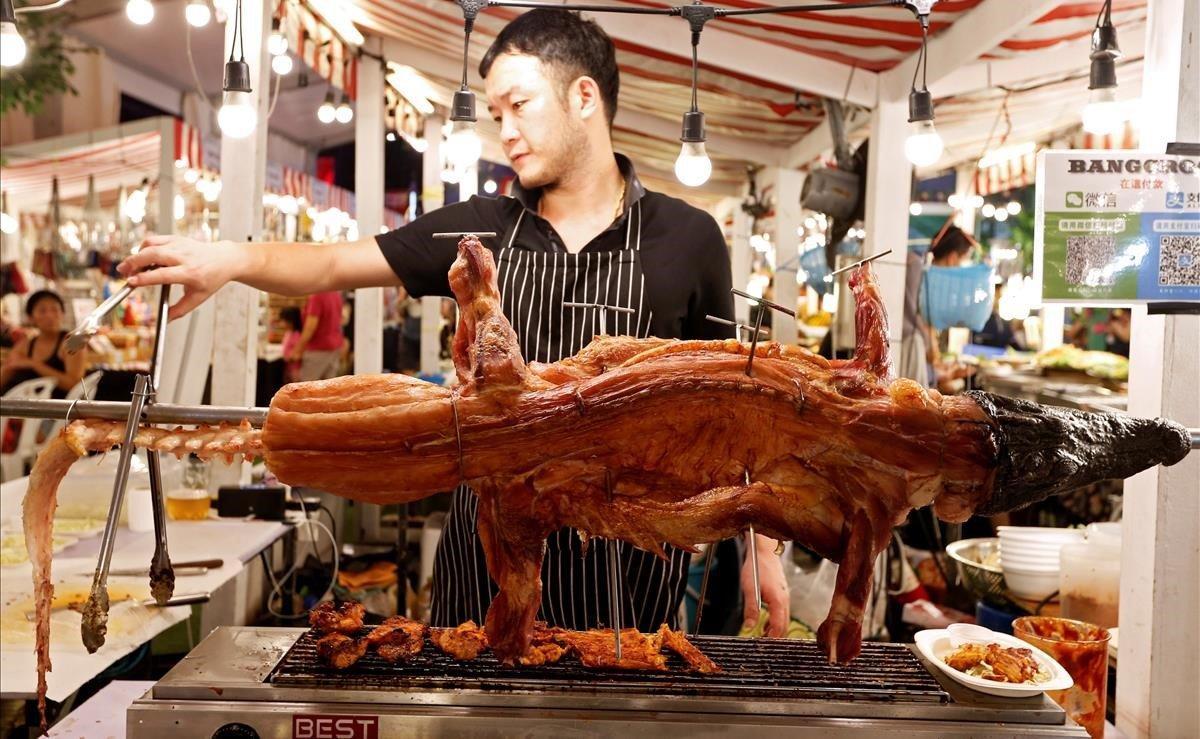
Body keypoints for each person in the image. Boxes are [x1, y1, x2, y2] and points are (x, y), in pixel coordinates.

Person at [117, 9, 790, 637]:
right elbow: (330, 265)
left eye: (519, 104)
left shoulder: (688, 236)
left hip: (627, 569)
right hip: (487, 560)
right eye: (497, 112)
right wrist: (229, 257)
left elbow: (731, 406)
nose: (506, 130)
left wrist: (762, 539)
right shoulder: (482, 226)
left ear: (584, 98)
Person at [0, 290, 85, 399]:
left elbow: (74, 384)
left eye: (55, 310)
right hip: (21, 404)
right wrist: (8, 368)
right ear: (31, 318)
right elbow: (8, 369)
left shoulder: (73, 341)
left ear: (62, 314)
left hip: (55, 408)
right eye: (42, 311)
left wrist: (34, 364)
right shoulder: (26, 344)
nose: (50, 316)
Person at [286, 291, 345, 381]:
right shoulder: (336, 293)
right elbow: (340, 320)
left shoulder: (317, 296)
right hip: (334, 348)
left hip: (318, 349)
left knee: (307, 389)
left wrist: (297, 350)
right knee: (329, 389)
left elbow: (310, 327)